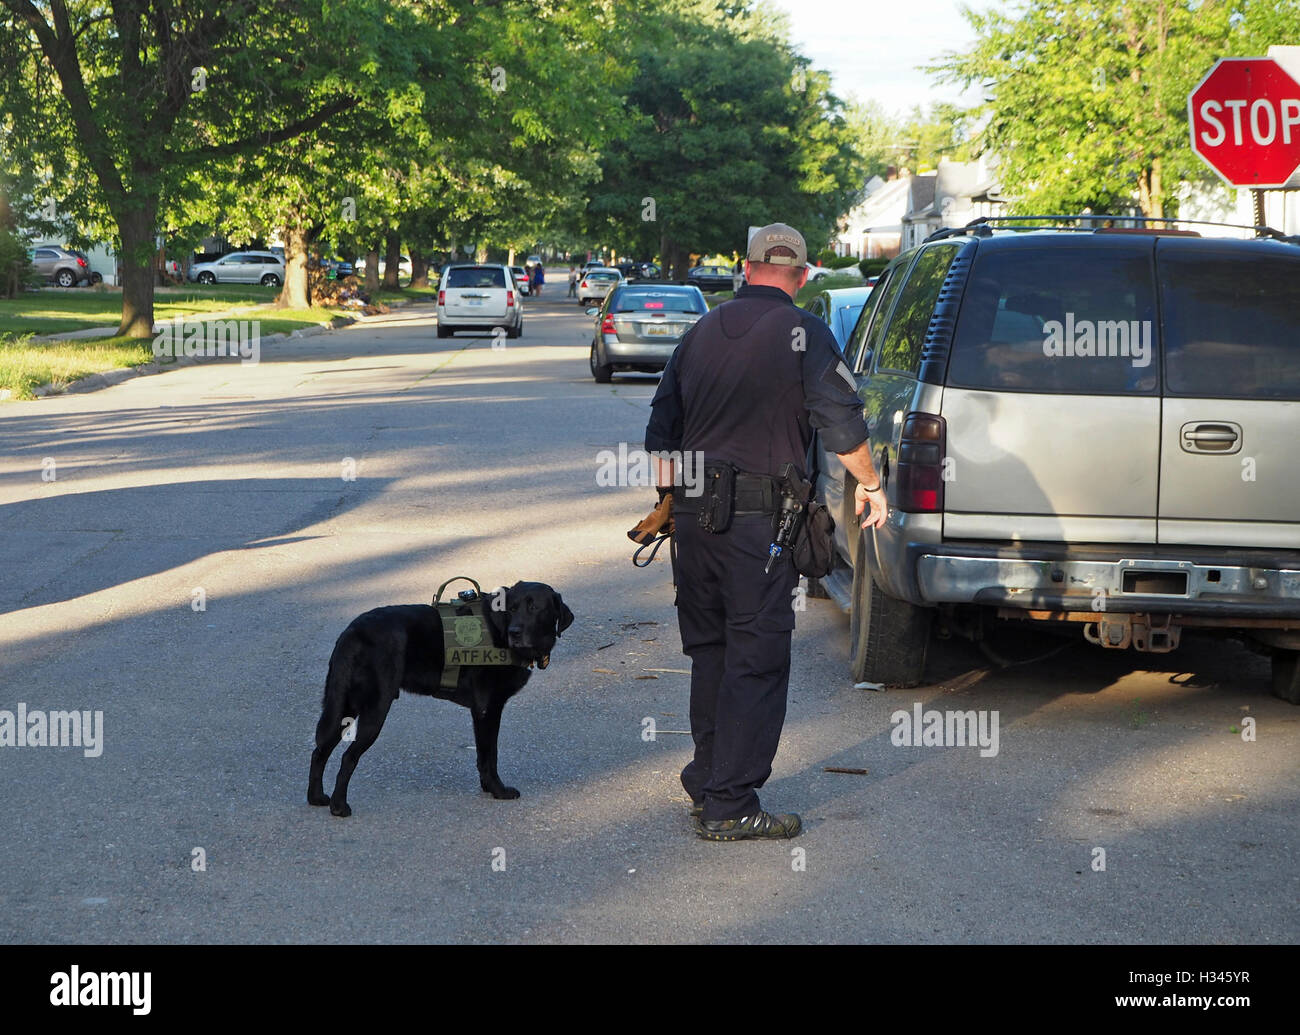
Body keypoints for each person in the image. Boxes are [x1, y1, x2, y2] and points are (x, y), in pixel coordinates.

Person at [644, 223, 889, 842]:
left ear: (744, 266)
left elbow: (660, 431)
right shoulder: (805, 333)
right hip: (760, 527)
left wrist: (673, 499)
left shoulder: (698, 333)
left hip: (694, 524)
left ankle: (708, 782)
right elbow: (841, 419)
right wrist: (872, 484)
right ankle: (730, 804)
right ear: (803, 276)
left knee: (711, 654)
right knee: (756, 659)